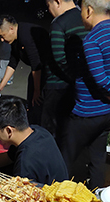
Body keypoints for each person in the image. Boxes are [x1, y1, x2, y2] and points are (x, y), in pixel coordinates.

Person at [59, 0, 110, 190]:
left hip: (86, 114)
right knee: (97, 158)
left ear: (88, 11)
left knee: (63, 159)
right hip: (108, 114)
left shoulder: (92, 40)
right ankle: (97, 198)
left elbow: (100, 79)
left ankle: (56, 201)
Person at [0, 98, 68, 185]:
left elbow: (16, 200)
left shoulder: (25, 163)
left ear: (8, 130)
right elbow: (9, 156)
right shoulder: (38, 131)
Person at [0, 15, 54, 125]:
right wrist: (1, 85)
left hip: (48, 72)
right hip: (39, 71)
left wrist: (37, 91)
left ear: (11, 29)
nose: (2, 40)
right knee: (32, 102)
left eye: (3, 36)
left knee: (38, 103)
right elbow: (13, 62)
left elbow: (36, 65)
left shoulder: (26, 35)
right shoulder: (15, 39)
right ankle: (32, 122)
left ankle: (39, 127)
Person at [42, 0, 88, 143]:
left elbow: (59, 58)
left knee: (50, 132)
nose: (49, 11)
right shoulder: (87, 18)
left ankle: (52, 163)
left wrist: (73, 78)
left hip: (58, 85)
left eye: (48, 6)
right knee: (70, 130)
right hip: (83, 84)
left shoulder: (59, 24)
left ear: (57, 1)